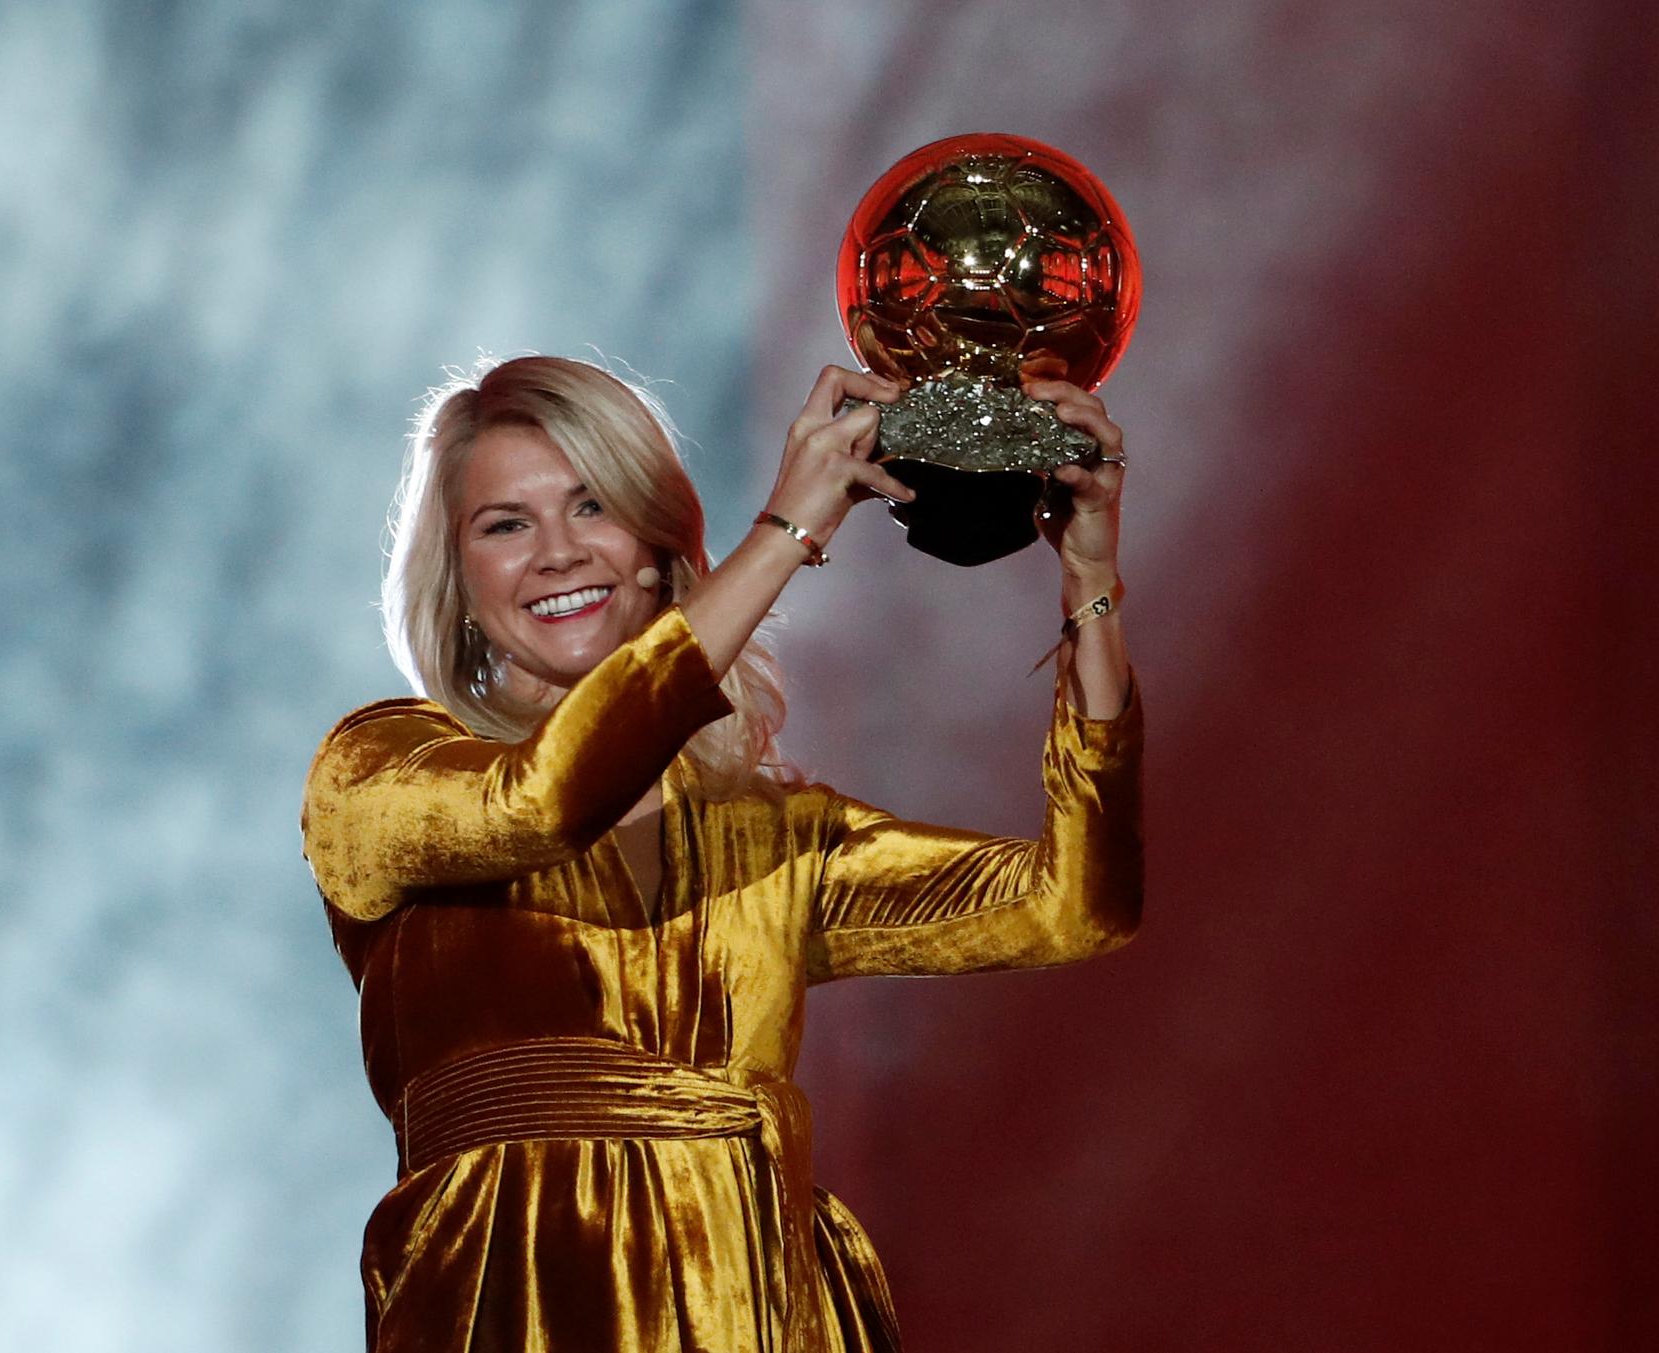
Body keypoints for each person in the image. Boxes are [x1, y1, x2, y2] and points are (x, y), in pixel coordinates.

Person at [301, 355, 1141, 1352]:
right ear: (459, 576)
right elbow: (543, 802)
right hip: (518, 1310)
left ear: (657, 547)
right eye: (506, 524)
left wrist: (1090, 577)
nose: (558, 553)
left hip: (770, 1311)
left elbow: (1075, 902)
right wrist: (788, 532)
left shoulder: (769, 836)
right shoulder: (379, 773)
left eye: (592, 506)